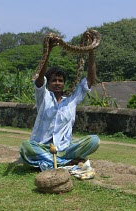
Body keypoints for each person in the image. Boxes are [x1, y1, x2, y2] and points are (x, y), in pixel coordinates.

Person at [19, 35, 100, 171]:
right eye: (54, 80)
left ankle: (54, 162)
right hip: (42, 146)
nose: (57, 83)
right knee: (26, 147)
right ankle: (66, 163)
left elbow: (90, 80)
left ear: (64, 83)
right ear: (48, 83)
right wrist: (48, 51)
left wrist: (90, 50)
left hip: (63, 148)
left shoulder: (71, 99)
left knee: (94, 140)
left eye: (60, 80)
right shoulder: (43, 96)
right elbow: (39, 80)